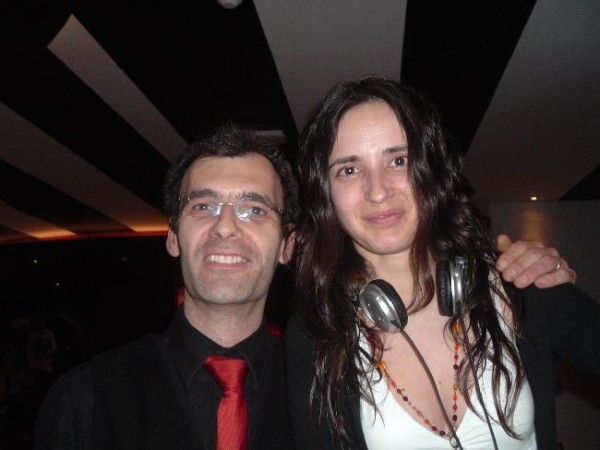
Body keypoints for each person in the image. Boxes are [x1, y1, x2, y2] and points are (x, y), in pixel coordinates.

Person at [286, 77, 598, 450]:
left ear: (432, 171)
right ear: (326, 193)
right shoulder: (314, 331)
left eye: (399, 160)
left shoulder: (517, 280)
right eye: (349, 170)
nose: (378, 191)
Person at [33, 124, 298, 449]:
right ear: (173, 237)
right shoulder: (83, 399)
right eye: (203, 206)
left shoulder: (325, 394)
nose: (225, 227)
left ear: (287, 244)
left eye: (254, 210)